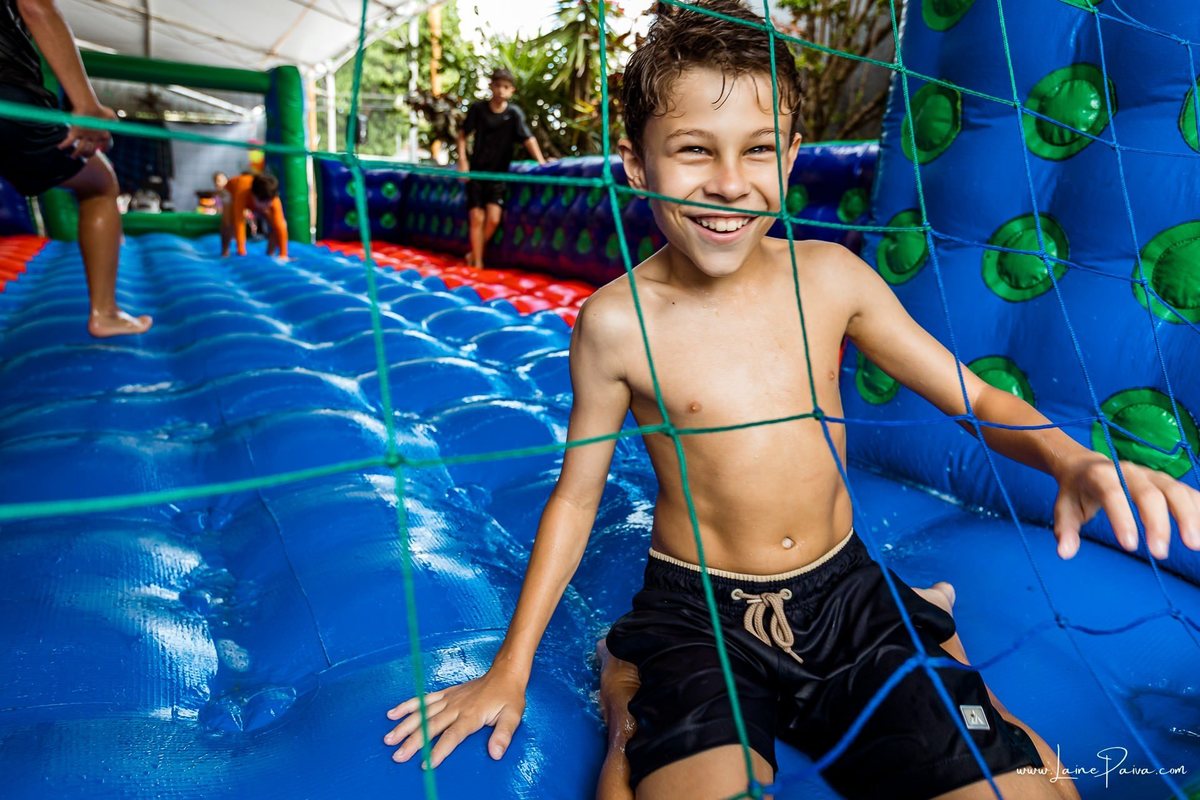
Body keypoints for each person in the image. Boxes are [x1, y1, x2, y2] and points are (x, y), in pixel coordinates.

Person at [383, 2, 1200, 798]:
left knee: (1020, 787)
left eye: (760, 149)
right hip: (697, 608)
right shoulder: (615, 323)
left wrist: (1076, 458)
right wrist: (510, 668)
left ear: (794, 151)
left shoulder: (830, 279)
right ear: (636, 162)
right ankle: (628, 669)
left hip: (842, 592)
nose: (731, 184)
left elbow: (976, 396)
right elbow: (575, 498)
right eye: (695, 150)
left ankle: (911, 613)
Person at [0, 0, 151, 337]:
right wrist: (86, 105)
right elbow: (36, 5)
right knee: (101, 184)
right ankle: (105, 313)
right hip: (8, 97)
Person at [456, 67, 547, 269]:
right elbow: (463, 135)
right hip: (477, 173)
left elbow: (527, 138)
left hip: (499, 175)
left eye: (505, 87)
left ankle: (473, 252)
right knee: (476, 218)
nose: (501, 91)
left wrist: (541, 161)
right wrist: (462, 161)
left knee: (493, 220)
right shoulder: (478, 109)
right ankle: (477, 264)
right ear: (491, 86)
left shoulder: (514, 114)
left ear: (512, 90)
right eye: (497, 86)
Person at [220, 172, 287, 260]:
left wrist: (283, 254)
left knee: (275, 223)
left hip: (257, 194)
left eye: (269, 202)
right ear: (253, 196)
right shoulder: (242, 193)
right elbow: (239, 223)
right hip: (230, 191)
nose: (267, 205)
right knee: (228, 222)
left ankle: (270, 254)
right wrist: (241, 251)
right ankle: (225, 252)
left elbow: (281, 226)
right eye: (264, 202)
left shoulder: (272, 199)